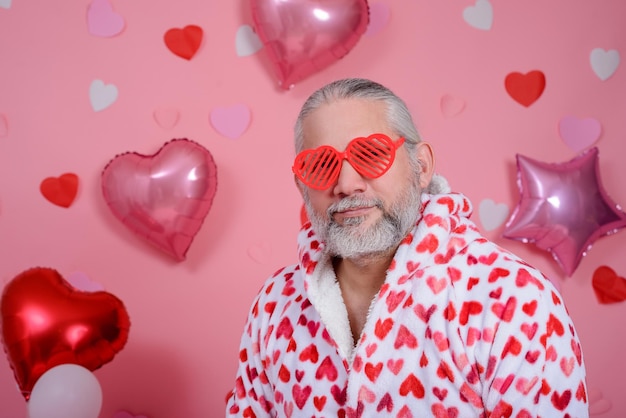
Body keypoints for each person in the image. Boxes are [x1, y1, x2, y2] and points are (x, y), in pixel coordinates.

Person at [225, 78, 588, 417]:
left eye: (370, 154)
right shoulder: (276, 304)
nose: (347, 184)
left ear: (422, 165)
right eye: (321, 165)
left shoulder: (514, 299)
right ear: (301, 186)